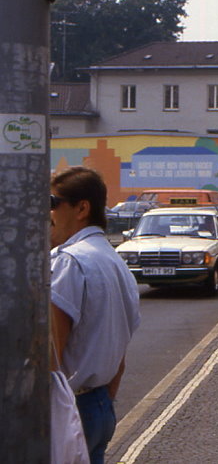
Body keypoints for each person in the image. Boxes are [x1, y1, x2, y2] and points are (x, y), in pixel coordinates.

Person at [50, 167, 141, 463]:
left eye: (52, 202)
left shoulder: (69, 262)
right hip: (99, 403)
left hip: (69, 408)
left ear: (81, 208)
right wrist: (105, 400)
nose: (46, 212)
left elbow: (51, 356)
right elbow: (120, 352)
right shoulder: (114, 260)